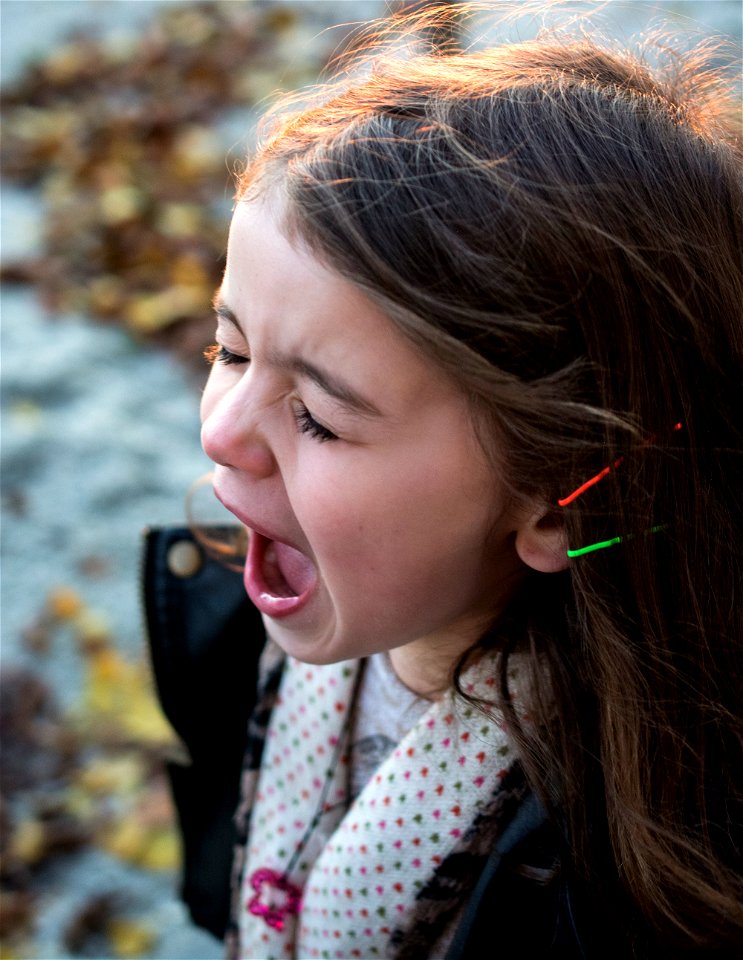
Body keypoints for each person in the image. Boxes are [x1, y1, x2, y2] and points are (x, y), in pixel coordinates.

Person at [143, 5, 743, 958]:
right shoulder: (228, 622)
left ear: (556, 500)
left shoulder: (631, 894)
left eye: (318, 418)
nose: (219, 433)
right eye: (228, 347)